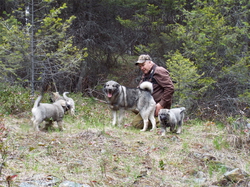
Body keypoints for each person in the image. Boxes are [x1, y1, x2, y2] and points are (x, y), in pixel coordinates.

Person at [131, 54, 175, 129]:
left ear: (150, 62)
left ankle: (169, 120)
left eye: (143, 65)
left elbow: (170, 88)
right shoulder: (146, 74)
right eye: (140, 66)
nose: (142, 68)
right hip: (148, 105)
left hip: (157, 106)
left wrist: (161, 104)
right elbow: (140, 88)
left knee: (136, 124)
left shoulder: (159, 71)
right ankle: (151, 119)